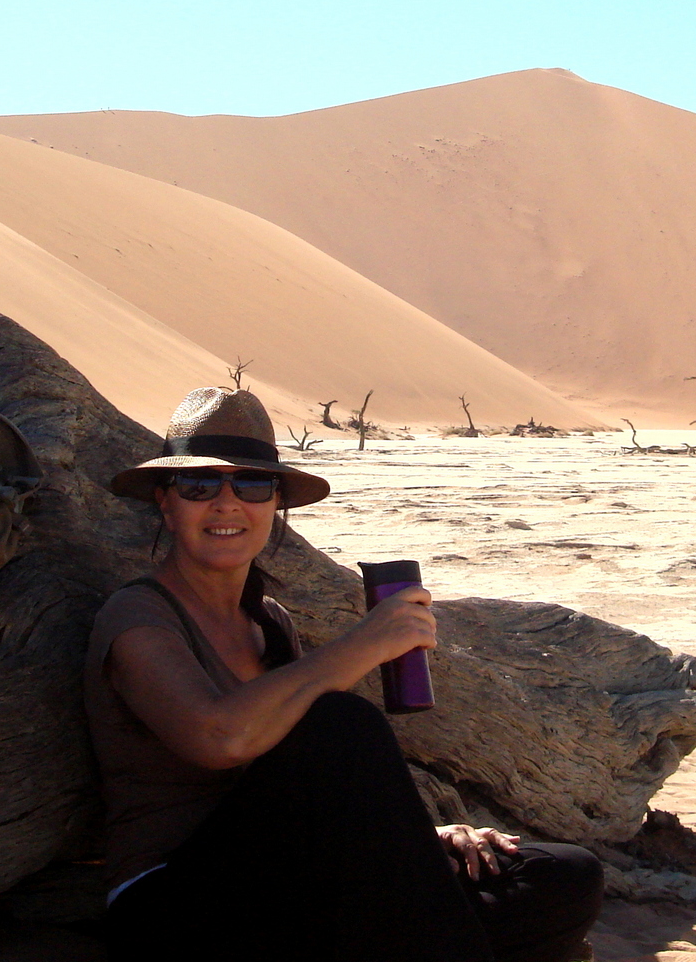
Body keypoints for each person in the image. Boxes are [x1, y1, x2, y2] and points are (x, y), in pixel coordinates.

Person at [89, 388, 602, 962]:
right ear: (166, 503)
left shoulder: (269, 622)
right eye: (200, 486)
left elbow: (308, 794)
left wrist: (416, 838)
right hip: (173, 905)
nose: (226, 504)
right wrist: (362, 645)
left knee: (564, 874)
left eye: (252, 485)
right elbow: (219, 737)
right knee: (339, 724)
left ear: (275, 505)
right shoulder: (139, 616)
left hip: (293, 883)